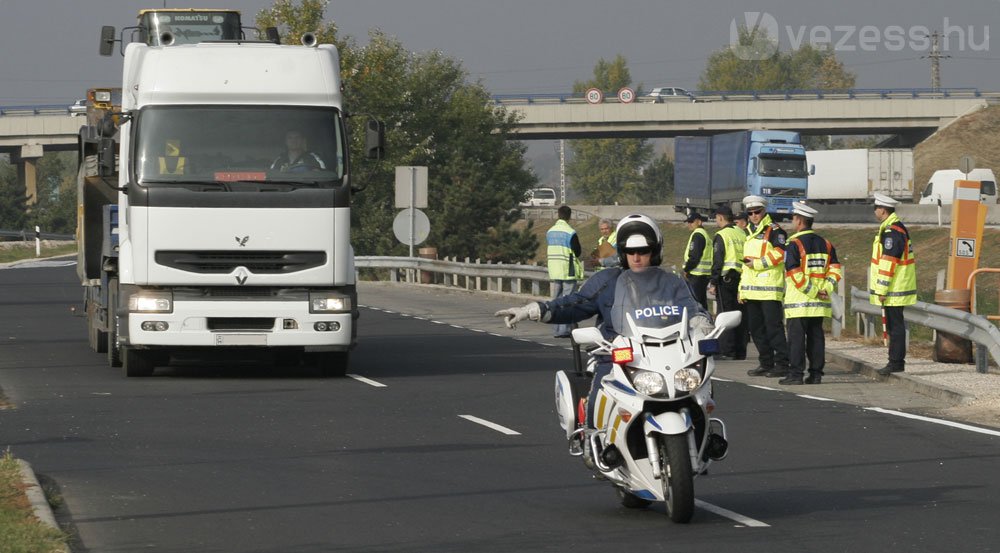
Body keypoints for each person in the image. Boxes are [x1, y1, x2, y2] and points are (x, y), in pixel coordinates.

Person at [494, 213, 710, 428]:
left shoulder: (671, 282)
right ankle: (591, 438)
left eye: (643, 251)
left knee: (699, 388)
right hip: (618, 356)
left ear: (654, 251)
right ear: (621, 254)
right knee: (597, 403)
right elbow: (576, 303)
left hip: (667, 355)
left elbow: (693, 309)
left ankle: (704, 432)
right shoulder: (607, 281)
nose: (636, 257)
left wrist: (703, 325)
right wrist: (533, 310)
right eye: (629, 251)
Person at [779, 202, 843, 385]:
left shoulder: (794, 244)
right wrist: (826, 289)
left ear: (799, 221)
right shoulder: (826, 244)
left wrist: (813, 291)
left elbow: (793, 272)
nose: (792, 221)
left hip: (799, 303)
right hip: (820, 304)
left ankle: (796, 374)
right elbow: (835, 271)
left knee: (796, 341)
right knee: (816, 340)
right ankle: (816, 375)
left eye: (793, 218)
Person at [741, 195, 791, 378]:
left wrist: (758, 263)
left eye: (757, 212)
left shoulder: (774, 230)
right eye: (750, 213)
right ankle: (766, 362)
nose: (754, 216)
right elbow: (743, 265)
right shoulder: (748, 233)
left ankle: (782, 363)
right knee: (756, 330)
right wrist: (742, 289)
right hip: (752, 290)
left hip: (769, 289)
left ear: (764, 211)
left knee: (773, 328)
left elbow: (780, 254)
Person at [870, 193, 917, 375]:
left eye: (876, 208)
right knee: (894, 326)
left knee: (895, 327)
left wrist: (882, 288)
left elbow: (889, 261)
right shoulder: (891, 228)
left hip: (894, 288)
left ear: (882, 210)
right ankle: (895, 361)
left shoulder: (892, 231)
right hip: (895, 286)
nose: (875, 211)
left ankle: (896, 363)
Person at [710, 206, 747, 360]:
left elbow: (718, 260)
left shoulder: (722, 235)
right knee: (740, 316)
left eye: (716, 218)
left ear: (720, 217)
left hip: (726, 280)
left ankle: (727, 350)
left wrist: (713, 281)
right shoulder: (741, 233)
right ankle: (740, 351)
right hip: (742, 278)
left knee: (725, 315)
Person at [546, 205, 585, 338]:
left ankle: (556, 330)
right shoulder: (570, 232)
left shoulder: (550, 231)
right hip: (567, 269)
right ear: (569, 216)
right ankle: (564, 329)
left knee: (556, 300)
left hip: (554, 269)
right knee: (567, 300)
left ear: (558, 215)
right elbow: (577, 251)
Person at [683, 211, 712, 309]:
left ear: (699, 222)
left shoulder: (697, 235)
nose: (689, 224)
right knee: (702, 302)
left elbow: (694, 257)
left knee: (696, 303)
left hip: (696, 275)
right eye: (688, 222)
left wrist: (686, 269)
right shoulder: (704, 234)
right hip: (703, 275)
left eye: (692, 222)